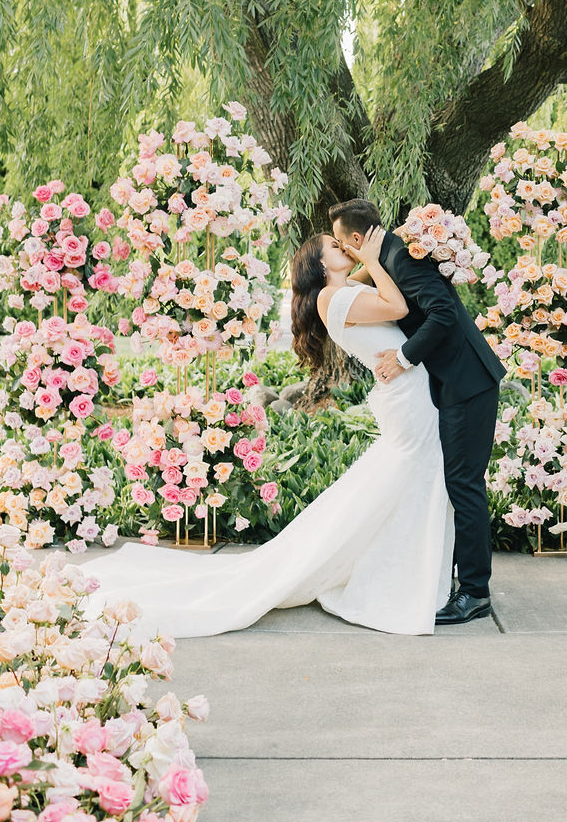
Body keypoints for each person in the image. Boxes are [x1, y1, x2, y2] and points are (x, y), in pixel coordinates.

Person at [80, 226, 455, 636]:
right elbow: (398, 307)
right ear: (318, 265)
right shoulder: (334, 298)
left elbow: (372, 280)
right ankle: (396, 573)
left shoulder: (342, 292)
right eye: (335, 246)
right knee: (411, 475)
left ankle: (394, 563)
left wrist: (382, 249)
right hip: (406, 396)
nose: (345, 246)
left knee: (404, 479)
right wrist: (371, 258)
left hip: (406, 392)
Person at [330, 199, 505, 625]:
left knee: (464, 484)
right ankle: (453, 578)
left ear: (356, 238)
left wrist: (404, 357)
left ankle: (476, 593)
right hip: (454, 384)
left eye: (341, 242)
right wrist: (364, 262)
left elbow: (443, 314)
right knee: (455, 482)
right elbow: (355, 277)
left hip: (469, 382)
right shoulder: (386, 256)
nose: (342, 249)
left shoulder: (402, 259)